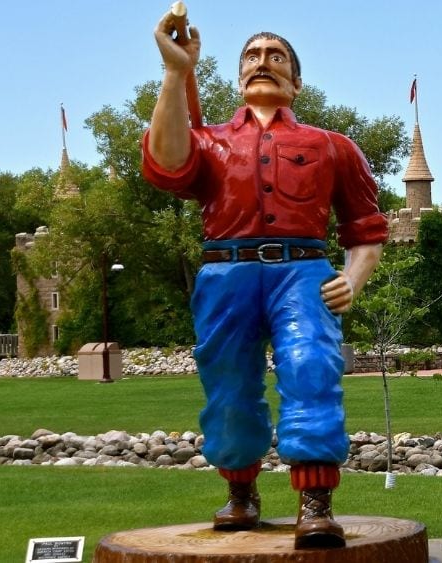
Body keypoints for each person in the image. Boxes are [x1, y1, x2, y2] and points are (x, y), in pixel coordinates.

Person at [142, 7, 387, 549]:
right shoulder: (209, 141)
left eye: (276, 58)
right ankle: (240, 492)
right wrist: (176, 72)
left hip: (303, 272)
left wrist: (356, 276)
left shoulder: (332, 146)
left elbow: (366, 226)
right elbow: (165, 164)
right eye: (252, 57)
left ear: (296, 82)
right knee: (227, 383)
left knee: (310, 369)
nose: (263, 64)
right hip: (226, 273)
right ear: (236, 77)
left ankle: (315, 504)